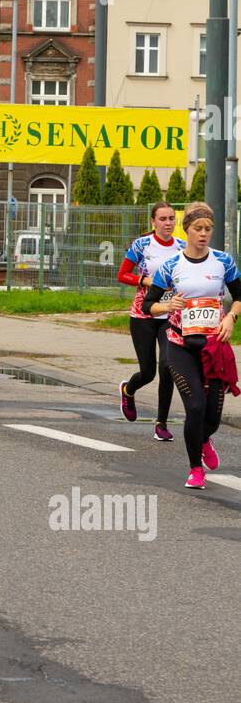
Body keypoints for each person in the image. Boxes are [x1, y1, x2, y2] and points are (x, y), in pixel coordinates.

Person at [143, 201, 241, 488]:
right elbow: (149, 305)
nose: (203, 234)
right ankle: (195, 468)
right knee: (195, 407)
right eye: (198, 228)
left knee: (212, 416)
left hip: (214, 347)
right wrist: (167, 305)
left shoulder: (224, 262)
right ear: (186, 229)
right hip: (180, 344)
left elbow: (238, 296)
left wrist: (230, 319)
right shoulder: (171, 266)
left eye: (208, 229)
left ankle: (204, 438)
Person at [118, 200, 182, 441]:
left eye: (171, 219)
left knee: (167, 367)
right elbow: (122, 274)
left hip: (170, 314)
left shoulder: (182, 247)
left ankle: (161, 423)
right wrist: (147, 282)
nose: (168, 223)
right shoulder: (142, 245)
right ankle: (128, 389)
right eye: (163, 219)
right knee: (148, 372)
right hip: (143, 315)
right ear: (153, 222)